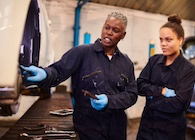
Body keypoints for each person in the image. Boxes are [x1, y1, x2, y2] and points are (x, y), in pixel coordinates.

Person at [21, 12, 138, 140]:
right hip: (87, 129)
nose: (109, 33)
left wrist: (109, 101)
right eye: (107, 27)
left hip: (117, 130)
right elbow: (58, 71)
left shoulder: (126, 62)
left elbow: (131, 95)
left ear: (123, 35)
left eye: (115, 30)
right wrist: (44, 74)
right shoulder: (82, 53)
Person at [136, 14, 195, 140]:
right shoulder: (154, 61)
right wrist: (161, 91)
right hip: (147, 128)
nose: (163, 44)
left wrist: (151, 98)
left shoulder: (188, 69)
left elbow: (180, 103)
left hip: (171, 131)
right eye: (161, 39)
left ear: (180, 40)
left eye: (168, 40)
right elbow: (139, 85)